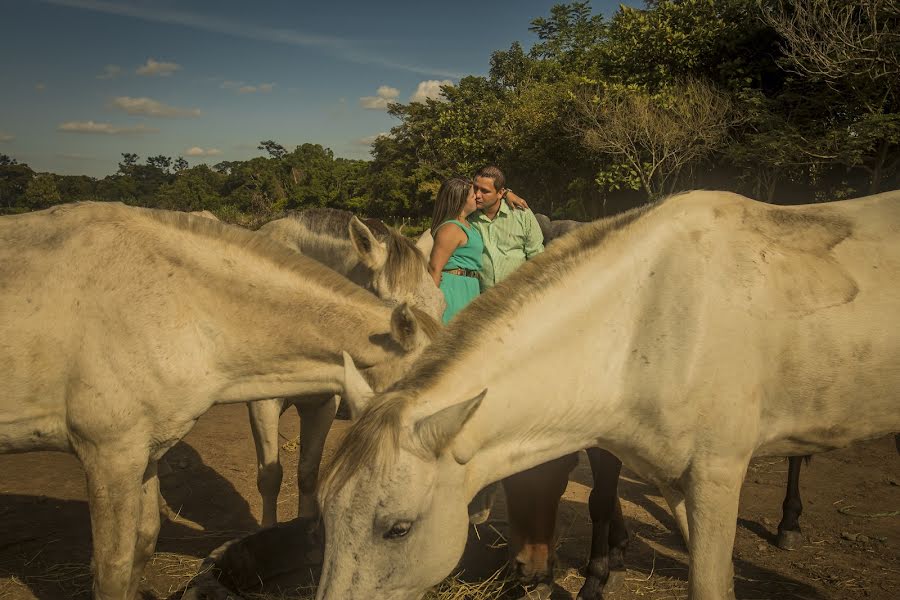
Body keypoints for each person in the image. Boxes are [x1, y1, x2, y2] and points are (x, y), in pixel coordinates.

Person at [468, 165, 544, 291]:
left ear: (500, 193)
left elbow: (537, 256)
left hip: (518, 295)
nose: (477, 195)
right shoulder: (467, 216)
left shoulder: (522, 214)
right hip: (480, 298)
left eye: (484, 191)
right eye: (475, 188)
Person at [428, 178, 484, 324]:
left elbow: (495, 189)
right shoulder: (451, 229)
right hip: (453, 289)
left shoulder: (466, 224)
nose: (477, 196)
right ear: (461, 201)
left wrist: (507, 194)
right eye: (473, 195)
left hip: (468, 287)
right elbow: (435, 268)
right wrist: (432, 305)